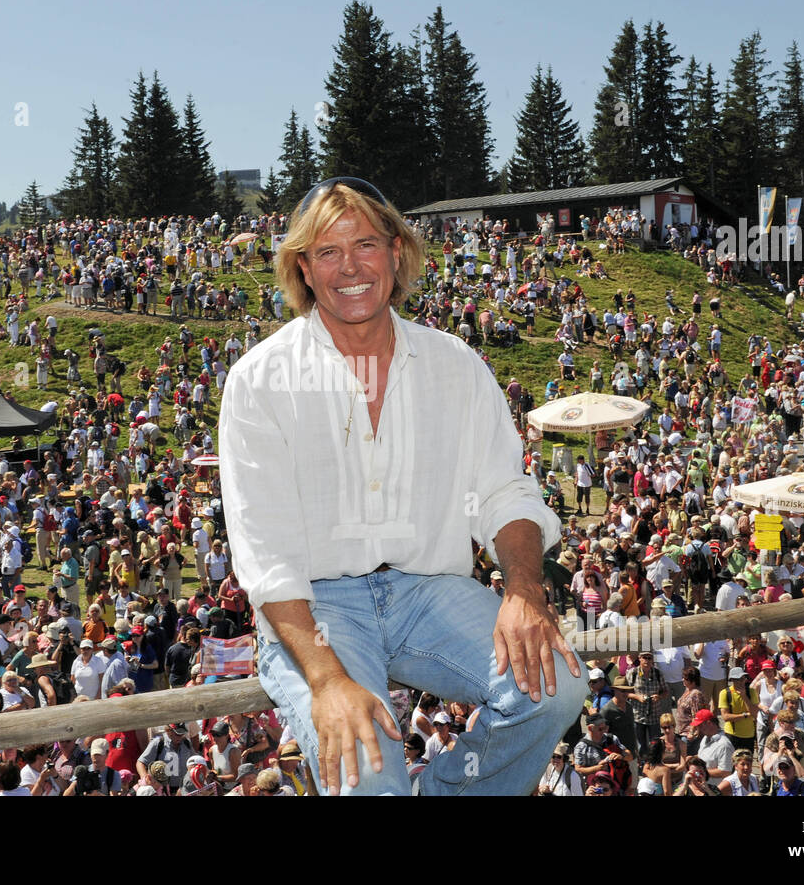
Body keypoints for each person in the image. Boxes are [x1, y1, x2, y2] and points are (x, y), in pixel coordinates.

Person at [220, 177, 583, 796]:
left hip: (428, 592)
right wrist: (329, 682)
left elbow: (506, 491)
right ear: (303, 268)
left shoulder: (456, 364)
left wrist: (524, 591)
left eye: (364, 244)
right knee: (367, 778)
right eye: (327, 252)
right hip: (316, 605)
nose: (350, 267)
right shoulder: (260, 380)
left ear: (396, 250)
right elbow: (268, 558)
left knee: (557, 688)